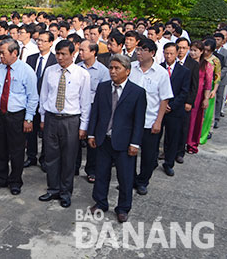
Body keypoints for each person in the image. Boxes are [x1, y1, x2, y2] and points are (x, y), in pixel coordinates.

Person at [87, 54, 146, 223]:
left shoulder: (137, 92)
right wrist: (92, 134)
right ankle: (100, 202)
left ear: (127, 71)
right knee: (101, 173)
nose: (112, 71)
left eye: (117, 68)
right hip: (103, 139)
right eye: (111, 68)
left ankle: (123, 208)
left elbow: (139, 121)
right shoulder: (103, 87)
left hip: (124, 142)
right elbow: (95, 112)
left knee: (125, 177)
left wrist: (135, 143)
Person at [38, 40, 92, 208]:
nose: (60, 57)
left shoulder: (82, 74)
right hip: (51, 118)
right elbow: (44, 96)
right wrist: (42, 118)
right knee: (51, 156)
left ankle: (65, 192)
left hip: (71, 120)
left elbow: (85, 102)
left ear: (72, 54)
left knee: (68, 158)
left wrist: (83, 126)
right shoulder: (50, 71)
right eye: (58, 54)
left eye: (64, 54)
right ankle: (53, 189)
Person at [0, 38, 38, 195]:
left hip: (17, 116)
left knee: (16, 150)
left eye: (3, 53)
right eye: (0, 53)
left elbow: (32, 97)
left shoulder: (26, 71)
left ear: (15, 53)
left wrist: (28, 118)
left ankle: (15, 181)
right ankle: (0, 178)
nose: (1, 56)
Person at [129, 38, 173, 196]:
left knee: (148, 155)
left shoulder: (161, 73)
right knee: (128, 153)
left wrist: (158, 121)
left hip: (150, 121)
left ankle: (142, 181)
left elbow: (164, 98)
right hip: (131, 121)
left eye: (143, 50)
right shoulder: (131, 68)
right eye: (138, 50)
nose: (139, 53)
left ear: (152, 53)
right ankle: (129, 180)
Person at [76, 40, 110, 183]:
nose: (80, 53)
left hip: (94, 109)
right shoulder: (77, 68)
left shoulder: (103, 71)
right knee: (76, 139)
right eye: (80, 50)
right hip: (78, 108)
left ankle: (91, 170)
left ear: (93, 52)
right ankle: (74, 166)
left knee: (92, 140)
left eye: (83, 50)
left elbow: (105, 94)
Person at [25, 30, 57, 169]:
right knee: (30, 131)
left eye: (44, 41)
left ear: (51, 43)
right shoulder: (31, 58)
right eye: (38, 40)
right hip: (32, 99)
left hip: (48, 101)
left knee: (46, 133)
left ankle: (44, 158)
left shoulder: (55, 60)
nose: (40, 43)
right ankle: (31, 156)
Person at [159, 42, 190, 176]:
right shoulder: (158, 69)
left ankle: (169, 163)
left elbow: (184, 92)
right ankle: (152, 160)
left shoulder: (184, 71)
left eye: (171, 53)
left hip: (175, 109)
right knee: (155, 136)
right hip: (159, 109)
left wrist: (171, 105)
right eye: (166, 53)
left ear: (177, 54)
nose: (169, 56)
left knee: (172, 137)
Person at [174, 37, 199, 163]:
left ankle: (179, 152)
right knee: (170, 128)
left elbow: (194, 86)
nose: (181, 50)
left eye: (184, 48)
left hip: (185, 102)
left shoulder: (193, 64)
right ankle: (168, 151)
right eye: (179, 48)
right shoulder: (171, 61)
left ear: (188, 49)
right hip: (172, 100)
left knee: (183, 127)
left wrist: (190, 101)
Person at [187, 40, 213, 153]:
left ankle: (191, 143)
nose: (192, 53)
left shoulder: (206, 65)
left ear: (201, 52)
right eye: (191, 50)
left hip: (198, 95)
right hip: (187, 92)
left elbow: (208, 84)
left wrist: (206, 98)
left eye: (195, 51)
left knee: (194, 120)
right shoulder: (186, 63)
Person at [200, 38, 221, 144]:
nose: (206, 52)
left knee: (207, 113)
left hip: (210, 87)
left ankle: (204, 133)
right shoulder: (199, 58)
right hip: (199, 86)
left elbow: (218, 77)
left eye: (208, 50)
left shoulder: (215, 61)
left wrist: (214, 90)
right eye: (205, 50)